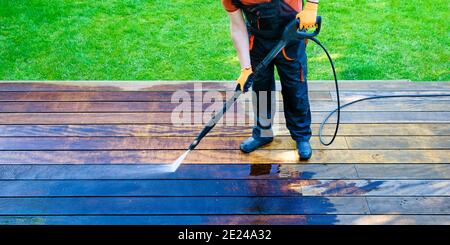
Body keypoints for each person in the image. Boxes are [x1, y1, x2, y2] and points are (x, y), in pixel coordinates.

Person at [221, 0, 319, 160]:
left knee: (295, 89)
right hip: (258, 41)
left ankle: (301, 136)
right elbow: (237, 27)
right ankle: (263, 132)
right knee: (261, 88)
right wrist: (246, 68)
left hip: (291, 38)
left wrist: (311, 5)